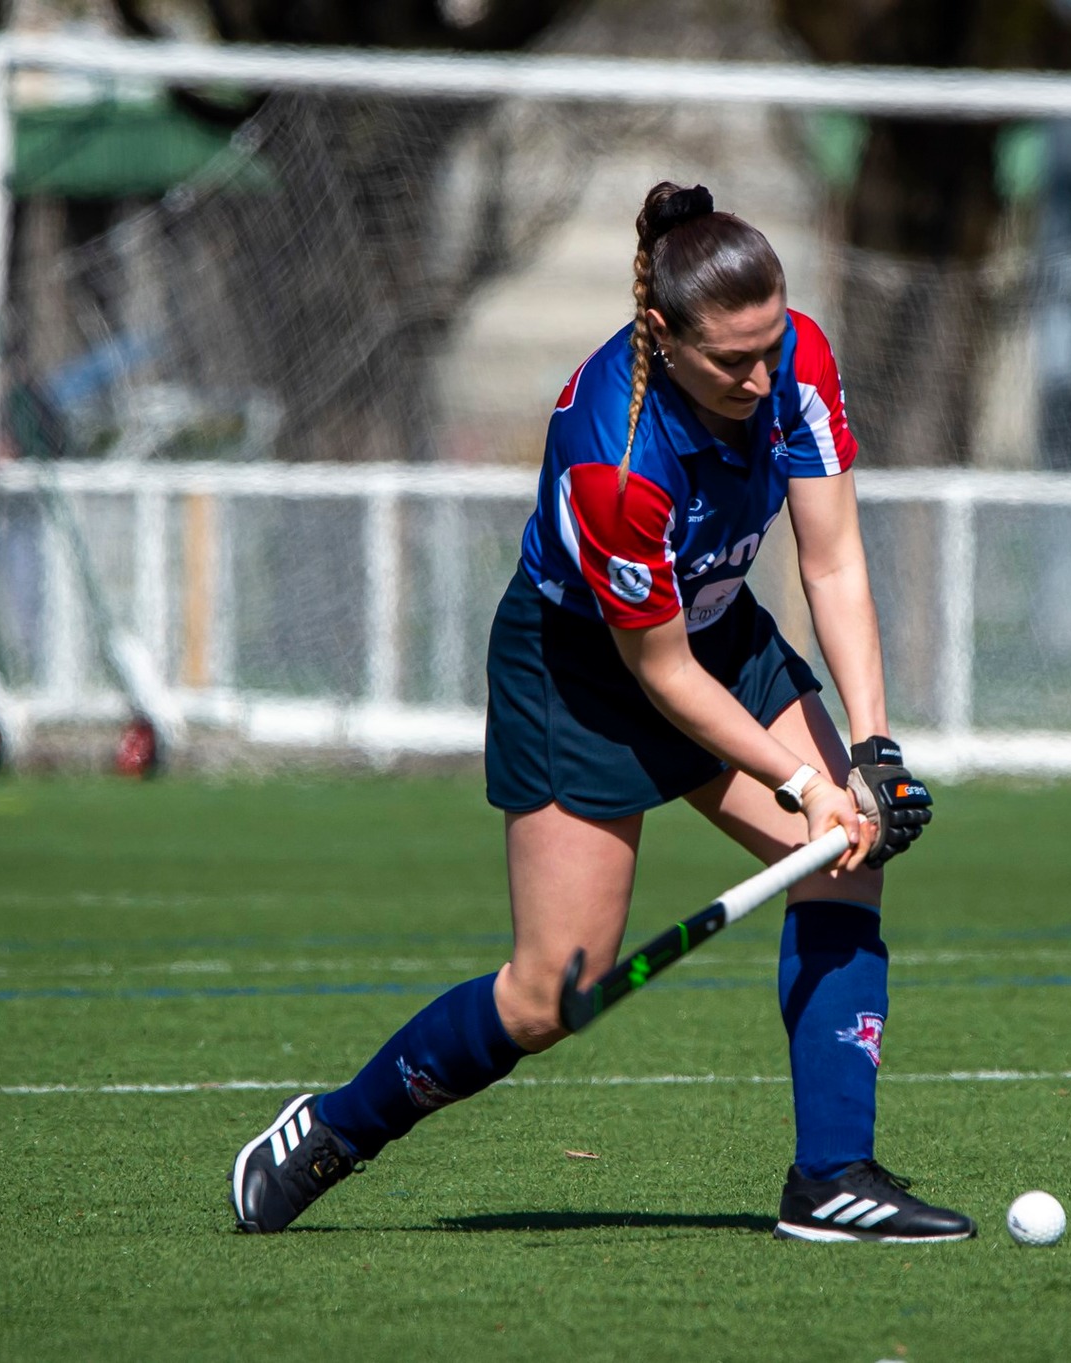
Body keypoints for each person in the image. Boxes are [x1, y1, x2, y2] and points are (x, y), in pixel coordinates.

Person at [228, 182, 967, 1243]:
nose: (762, 378)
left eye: (770, 348)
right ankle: (340, 1125)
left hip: (719, 634)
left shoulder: (797, 360)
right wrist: (804, 782)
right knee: (548, 995)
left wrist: (871, 748)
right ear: (661, 333)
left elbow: (834, 559)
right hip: (579, 677)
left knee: (848, 858)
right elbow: (658, 676)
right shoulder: (614, 458)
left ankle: (830, 1177)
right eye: (733, 362)